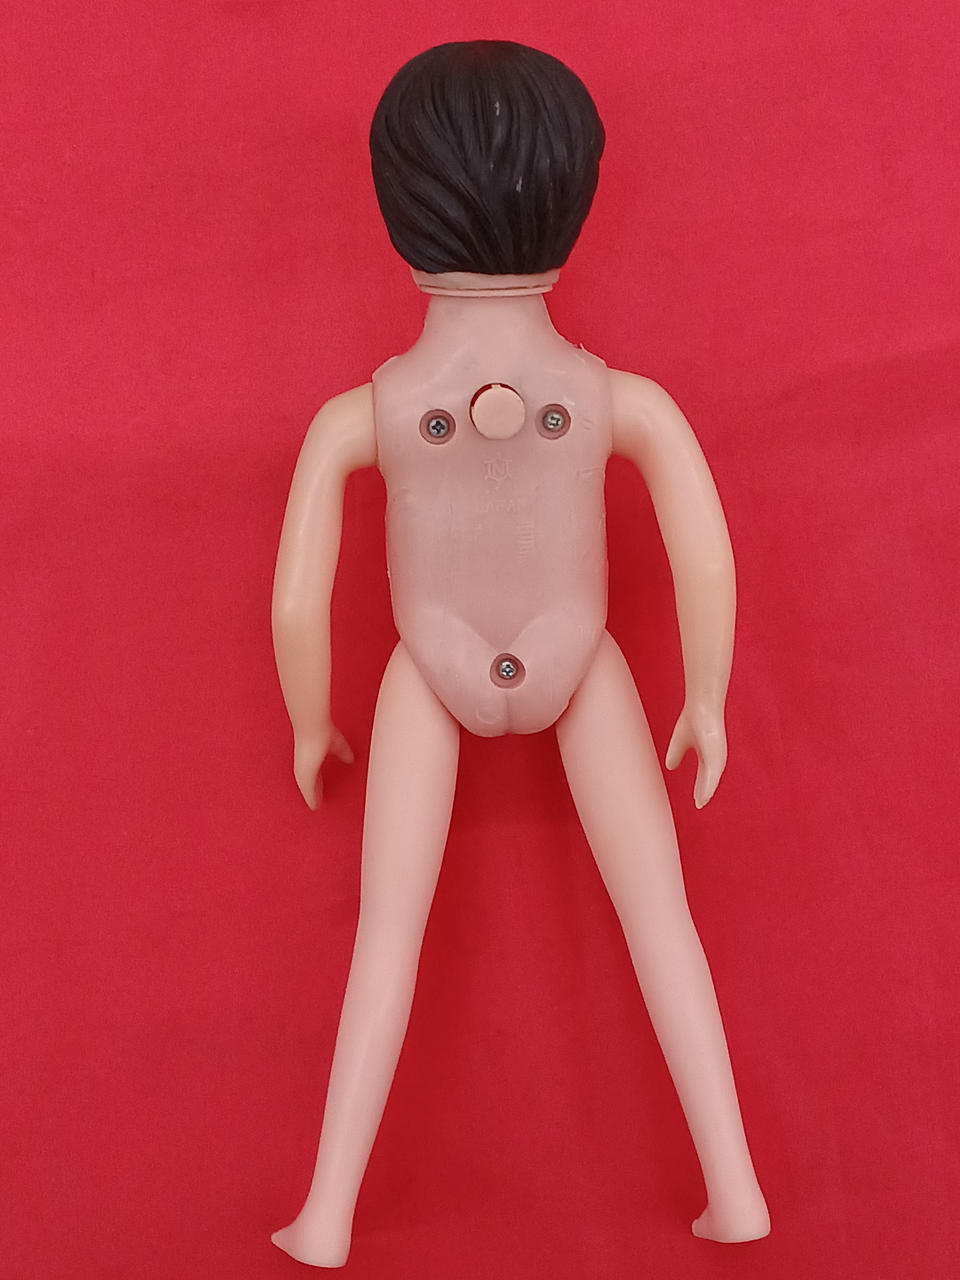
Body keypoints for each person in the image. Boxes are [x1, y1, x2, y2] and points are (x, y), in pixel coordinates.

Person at [271, 39, 769, 1268]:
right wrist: (706, 692)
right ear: (575, 193)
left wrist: (309, 719)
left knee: (387, 936)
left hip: (427, 667)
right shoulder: (615, 400)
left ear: (395, 202)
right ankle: (738, 1188)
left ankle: (327, 1212)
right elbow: (705, 554)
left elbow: (296, 600)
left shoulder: (366, 415)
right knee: (663, 921)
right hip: (581, 659)